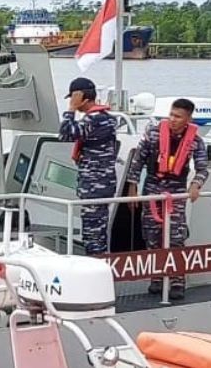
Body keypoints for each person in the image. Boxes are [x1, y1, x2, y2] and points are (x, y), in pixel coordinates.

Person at [127, 98, 208, 299]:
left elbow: (202, 167)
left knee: (176, 238)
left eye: (178, 117)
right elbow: (138, 161)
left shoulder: (195, 141)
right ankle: (156, 277)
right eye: (171, 115)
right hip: (153, 189)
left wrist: (196, 184)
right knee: (152, 236)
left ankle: (177, 281)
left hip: (177, 193)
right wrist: (132, 186)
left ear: (188, 119)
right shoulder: (153, 134)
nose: (173, 119)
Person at [58, 77, 117, 255]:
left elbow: (65, 134)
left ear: (80, 96)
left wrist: (71, 110)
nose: (71, 101)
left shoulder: (95, 120)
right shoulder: (104, 118)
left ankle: (97, 270)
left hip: (95, 186)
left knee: (93, 236)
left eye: (73, 97)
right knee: (97, 232)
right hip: (100, 184)